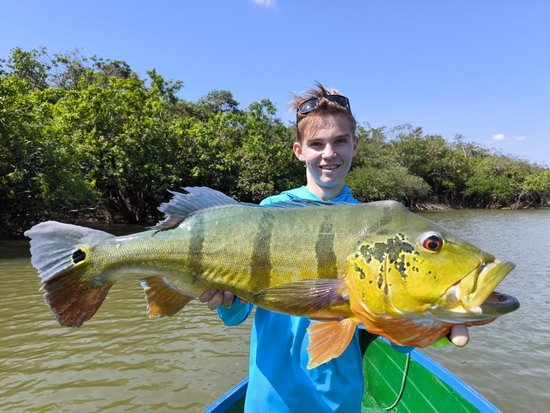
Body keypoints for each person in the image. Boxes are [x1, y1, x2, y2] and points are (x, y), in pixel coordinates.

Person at [199, 83, 469, 412]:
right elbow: (236, 314)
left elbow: (391, 327)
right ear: (299, 151)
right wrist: (225, 300)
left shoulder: (377, 226)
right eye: (317, 144)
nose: (329, 153)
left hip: (338, 399)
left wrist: (434, 323)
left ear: (354, 145)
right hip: (272, 398)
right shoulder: (270, 210)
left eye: (340, 141)